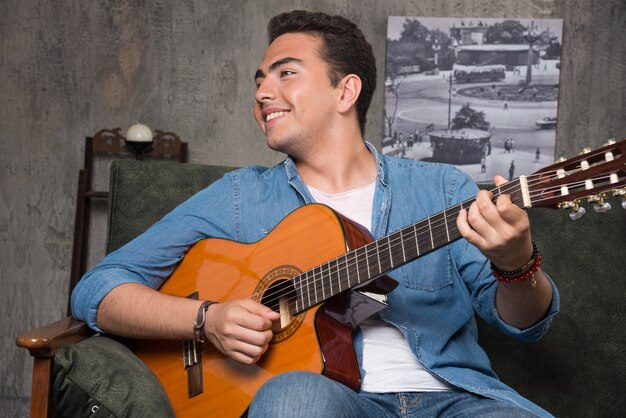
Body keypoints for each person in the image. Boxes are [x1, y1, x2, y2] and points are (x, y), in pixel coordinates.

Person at [71, 10, 558, 418]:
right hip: (326, 400)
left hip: (452, 401)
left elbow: (525, 323)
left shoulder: (443, 188)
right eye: (260, 79)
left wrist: (517, 262)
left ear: (345, 92)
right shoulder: (239, 196)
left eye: (285, 73)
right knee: (292, 398)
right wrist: (207, 318)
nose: (262, 92)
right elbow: (98, 289)